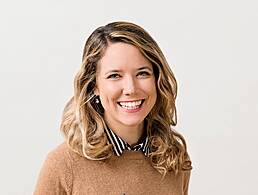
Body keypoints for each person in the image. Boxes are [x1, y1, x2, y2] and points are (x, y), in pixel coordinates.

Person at [34, 21, 192, 195]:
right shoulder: (64, 166)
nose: (131, 89)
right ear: (94, 84)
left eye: (142, 73)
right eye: (114, 75)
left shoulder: (174, 158)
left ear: (157, 79)